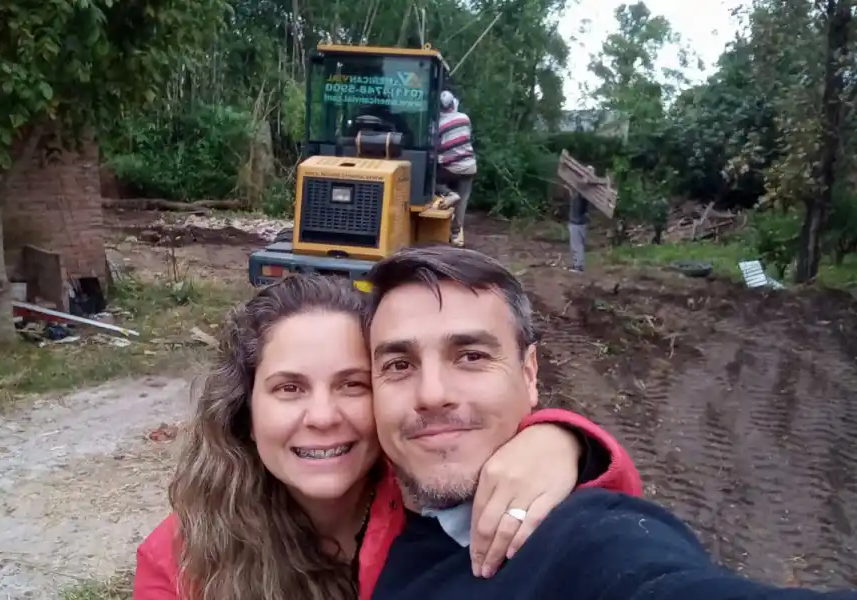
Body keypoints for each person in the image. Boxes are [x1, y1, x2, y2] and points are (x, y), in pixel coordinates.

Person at [363, 245, 857, 600]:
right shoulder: (355, 499)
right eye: (398, 365)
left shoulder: (585, 542)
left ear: (529, 374)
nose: (432, 394)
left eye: (471, 356)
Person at [132, 275, 641, 600]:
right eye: (289, 388)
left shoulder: (431, 498)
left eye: (351, 385)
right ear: (246, 411)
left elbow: (614, 538)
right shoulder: (182, 561)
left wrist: (565, 442)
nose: (322, 416)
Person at [436, 90, 476, 248]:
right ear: (453, 104)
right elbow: (468, 136)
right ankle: (456, 234)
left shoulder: (439, 124)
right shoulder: (464, 118)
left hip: (450, 168)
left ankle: (448, 193)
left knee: (430, 180)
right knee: (463, 200)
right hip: (469, 165)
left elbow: (438, 146)